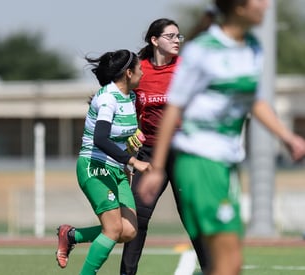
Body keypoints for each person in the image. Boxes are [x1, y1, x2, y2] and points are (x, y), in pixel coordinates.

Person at [138, 1, 305, 274]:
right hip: (200, 162)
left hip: (227, 164)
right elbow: (174, 109)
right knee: (225, 260)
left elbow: (254, 100)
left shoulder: (251, 47)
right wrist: (157, 167)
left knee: (231, 262)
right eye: (259, 0)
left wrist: (287, 137)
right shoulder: (203, 50)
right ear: (239, 7)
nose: (267, 5)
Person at [119, 18, 208, 275]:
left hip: (183, 153)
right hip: (150, 154)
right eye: (170, 36)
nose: (177, 41)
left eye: (179, 36)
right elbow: (124, 103)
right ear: (154, 40)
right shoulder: (139, 71)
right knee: (137, 219)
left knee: (193, 218)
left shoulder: (186, 68)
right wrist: (130, 130)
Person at [55, 49, 152, 274]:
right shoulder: (108, 98)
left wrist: (130, 149)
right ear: (129, 73)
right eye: (139, 68)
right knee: (113, 229)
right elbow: (100, 139)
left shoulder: (131, 97)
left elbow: (122, 138)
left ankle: (71, 236)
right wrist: (133, 162)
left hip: (116, 169)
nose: (142, 72)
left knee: (128, 231)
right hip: (95, 166)